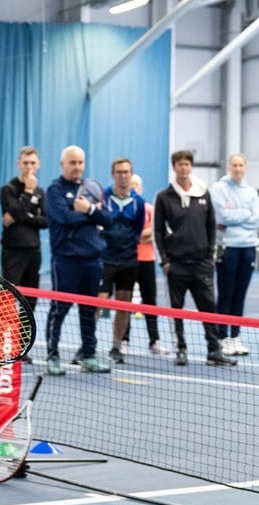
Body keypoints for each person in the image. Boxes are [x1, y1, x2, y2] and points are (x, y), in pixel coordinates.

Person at [153, 150, 235, 367]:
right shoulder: (164, 197)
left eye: (187, 164)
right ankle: (180, 349)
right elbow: (158, 232)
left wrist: (209, 257)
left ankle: (214, 350)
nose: (183, 168)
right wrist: (165, 261)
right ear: (174, 167)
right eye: (179, 164)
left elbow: (211, 226)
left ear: (191, 167)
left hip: (202, 265)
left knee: (208, 309)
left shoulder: (203, 193)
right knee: (176, 310)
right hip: (176, 265)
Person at [43, 145, 111, 376]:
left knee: (89, 310)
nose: (77, 167)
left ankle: (89, 355)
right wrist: (92, 214)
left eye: (80, 162)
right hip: (66, 260)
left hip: (93, 260)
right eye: (72, 163)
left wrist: (88, 209)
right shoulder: (54, 191)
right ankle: (52, 356)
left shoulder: (90, 190)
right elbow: (65, 218)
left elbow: (108, 219)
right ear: (63, 164)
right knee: (59, 310)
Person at [210, 154, 259, 356]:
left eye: (241, 165)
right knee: (226, 293)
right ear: (229, 166)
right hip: (228, 246)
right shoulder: (218, 189)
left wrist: (236, 216)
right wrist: (245, 215)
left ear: (246, 167)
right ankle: (222, 336)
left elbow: (257, 219)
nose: (238, 168)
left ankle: (235, 335)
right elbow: (222, 215)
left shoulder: (251, 192)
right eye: (234, 165)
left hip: (248, 247)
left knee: (240, 294)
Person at [0, 145, 48, 362]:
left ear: (38, 165)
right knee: (8, 300)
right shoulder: (8, 189)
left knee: (30, 302)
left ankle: (21, 348)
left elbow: (45, 221)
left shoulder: (41, 191)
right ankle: (0, 347)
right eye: (25, 163)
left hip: (33, 251)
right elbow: (17, 212)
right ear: (19, 164)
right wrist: (27, 193)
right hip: (13, 251)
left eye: (32, 163)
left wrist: (21, 216)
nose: (29, 167)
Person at [99, 158, 146, 363]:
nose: (123, 176)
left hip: (128, 260)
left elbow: (138, 229)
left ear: (131, 174)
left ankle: (117, 346)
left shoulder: (139, 203)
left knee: (123, 304)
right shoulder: (103, 198)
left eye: (126, 172)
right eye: (119, 172)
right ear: (113, 175)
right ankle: (87, 345)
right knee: (97, 303)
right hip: (105, 259)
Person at [119, 174, 167, 356]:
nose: (134, 187)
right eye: (131, 184)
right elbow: (125, 232)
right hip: (128, 260)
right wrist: (137, 234)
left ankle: (154, 341)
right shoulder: (123, 208)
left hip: (147, 259)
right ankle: (124, 340)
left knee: (150, 301)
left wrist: (136, 235)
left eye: (137, 185)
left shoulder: (150, 209)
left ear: (142, 188)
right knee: (126, 301)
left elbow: (155, 231)